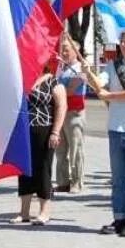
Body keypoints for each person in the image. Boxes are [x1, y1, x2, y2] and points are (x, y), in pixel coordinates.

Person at [81, 29, 125, 237]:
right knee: (119, 179)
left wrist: (109, 95)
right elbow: (99, 84)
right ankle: (119, 217)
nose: (123, 44)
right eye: (121, 41)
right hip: (116, 128)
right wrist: (88, 73)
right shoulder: (112, 66)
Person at [10, 64, 66, 225]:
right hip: (24, 131)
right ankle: (24, 212)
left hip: (45, 130)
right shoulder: (23, 79)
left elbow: (62, 106)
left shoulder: (53, 81)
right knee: (24, 169)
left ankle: (44, 211)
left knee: (43, 169)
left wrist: (56, 131)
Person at [55, 37, 87, 193]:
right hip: (60, 112)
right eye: (63, 49)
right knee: (60, 150)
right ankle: (62, 181)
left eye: (67, 49)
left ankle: (76, 181)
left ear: (76, 51)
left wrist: (56, 93)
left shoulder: (80, 69)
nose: (64, 52)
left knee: (75, 148)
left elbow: (69, 91)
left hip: (74, 113)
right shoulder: (61, 68)